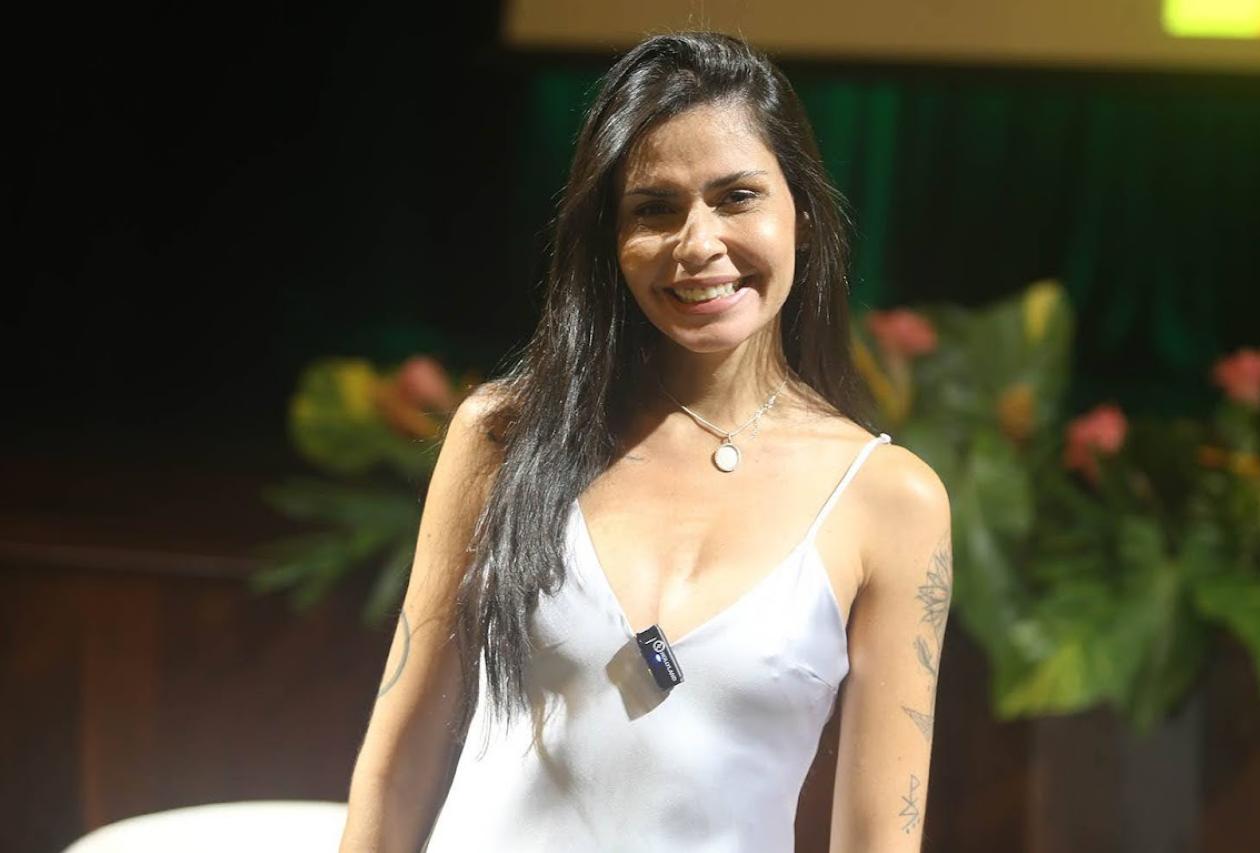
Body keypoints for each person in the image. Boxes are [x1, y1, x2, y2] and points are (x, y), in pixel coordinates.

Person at [339, 31, 951, 853]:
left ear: (801, 216)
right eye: (655, 209)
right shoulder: (505, 437)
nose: (697, 244)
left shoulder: (890, 500)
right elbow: (395, 772)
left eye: (737, 197)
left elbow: (879, 839)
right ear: (611, 240)